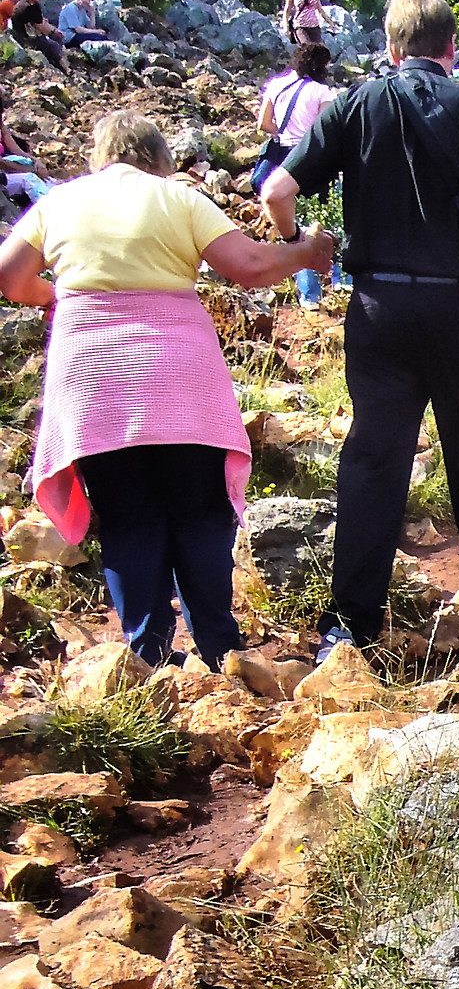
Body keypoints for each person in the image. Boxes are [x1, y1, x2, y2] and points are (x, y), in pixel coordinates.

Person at [261, 0, 459, 657]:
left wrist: (306, 246)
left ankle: (350, 625)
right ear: (451, 47)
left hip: (379, 305)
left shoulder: (353, 104)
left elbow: (277, 189)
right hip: (458, 306)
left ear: (390, 47)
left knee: (373, 460)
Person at [0, 110, 331, 666]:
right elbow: (248, 266)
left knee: (128, 518)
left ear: (100, 158)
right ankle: (221, 650)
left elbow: (9, 278)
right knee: (199, 514)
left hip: (93, 384)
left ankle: (148, 658)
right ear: (159, 159)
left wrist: (57, 297)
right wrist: (305, 251)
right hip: (179, 378)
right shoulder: (176, 199)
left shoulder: (58, 202)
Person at [257, 42, 341, 305]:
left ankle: (309, 296)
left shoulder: (276, 84)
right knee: (331, 219)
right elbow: (326, 132)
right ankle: (341, 282)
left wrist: (285, 133)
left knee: (298, 227)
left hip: (283, 157)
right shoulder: (321, 91)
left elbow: (263, 124)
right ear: (322, 65)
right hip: (310, 158)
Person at [10, 0, 64, 72]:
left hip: (28, 34)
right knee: (54, 45)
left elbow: (41, 21)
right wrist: (53, 34)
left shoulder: (28, 4)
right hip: (26, 38)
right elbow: (40, 26)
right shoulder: (28, 7)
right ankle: (61, 67)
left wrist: (54, 30)